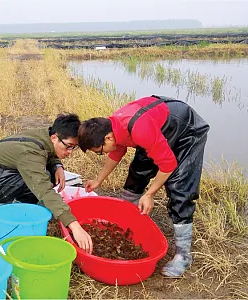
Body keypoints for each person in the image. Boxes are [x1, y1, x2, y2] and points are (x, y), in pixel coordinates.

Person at [78, 95, 210, 277]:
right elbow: (117, 152)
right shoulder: (113, 126)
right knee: (138, 172)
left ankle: (184, 256)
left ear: (107, 138)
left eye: (99, 152)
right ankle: (128, 223)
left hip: (186, 129)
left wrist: (149, 194)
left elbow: (168, 165)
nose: (101, 154)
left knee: (179, 188)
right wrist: (99, 180)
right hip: (157, 127)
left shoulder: (138, 129)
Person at [0, 113, 93, 253]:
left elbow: (48, 150)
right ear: (54, 137)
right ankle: (17, 209)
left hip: (6, 168)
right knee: (37, 184)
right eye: (68, 146)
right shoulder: (30, 153)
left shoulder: (47, 134)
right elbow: (44, 190)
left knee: (48, 174)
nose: (70, 152)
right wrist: (75, 226)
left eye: (74, 147)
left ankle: (21, 202)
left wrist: (57, 166)